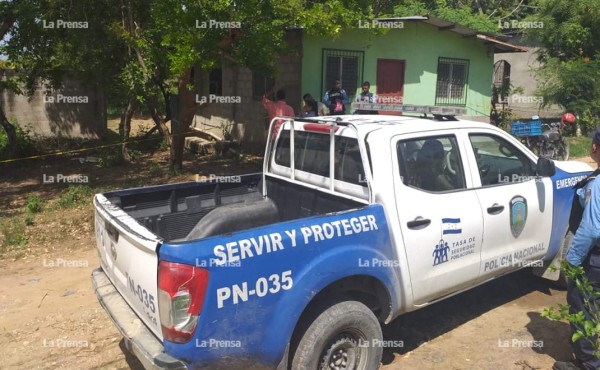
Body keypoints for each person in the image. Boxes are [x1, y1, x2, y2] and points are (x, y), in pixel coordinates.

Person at [554, 128, 600, 370]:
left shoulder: (597, 184)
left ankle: (588, 365)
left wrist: (572, 261)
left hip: (594, 261)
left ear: (594, 147)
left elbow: (592, 229)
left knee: (584, 308)